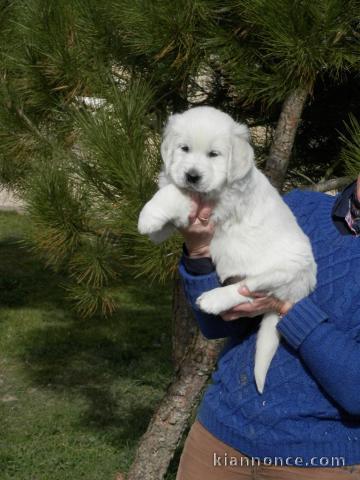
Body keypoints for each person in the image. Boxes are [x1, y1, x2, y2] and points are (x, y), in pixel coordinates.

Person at [175, 175, 360, 479]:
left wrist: (287, 307)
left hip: (323, 462)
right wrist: (199, 252)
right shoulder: (298, 207)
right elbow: (216, 324)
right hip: (219, 440)